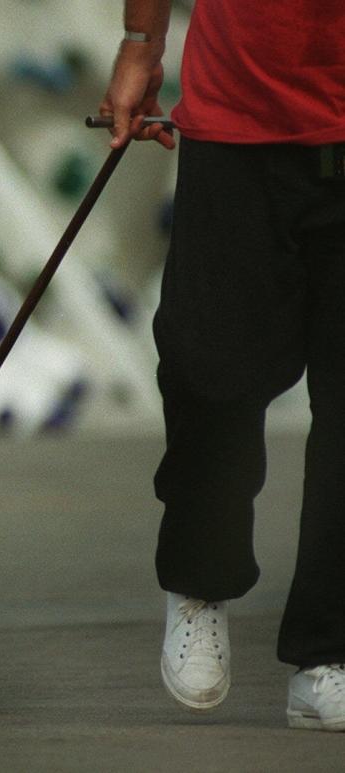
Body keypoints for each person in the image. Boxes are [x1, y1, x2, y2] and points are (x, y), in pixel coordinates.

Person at [101, 0, 345, 731]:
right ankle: (200, 585)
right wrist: (142, 41)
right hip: (238, 120)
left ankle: (328, 653)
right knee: (212, 374)